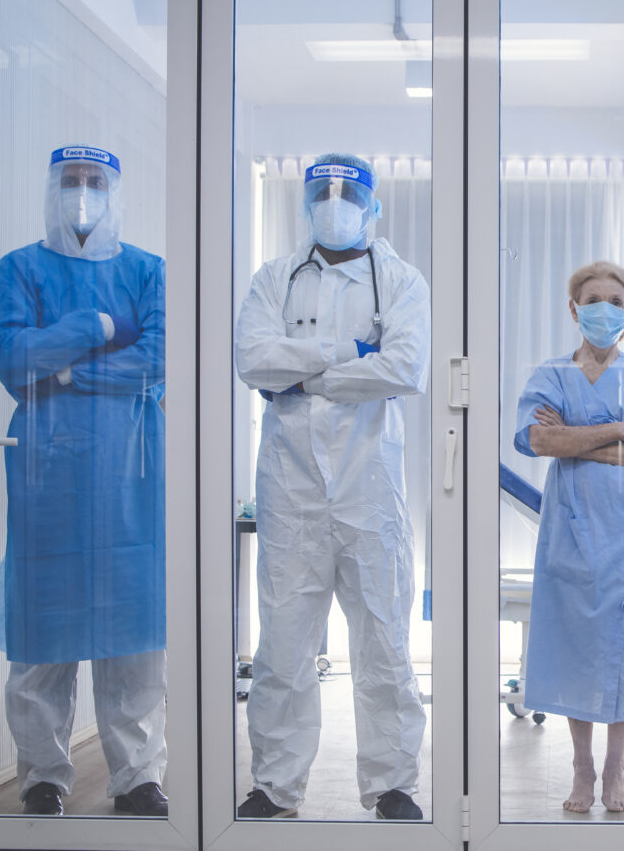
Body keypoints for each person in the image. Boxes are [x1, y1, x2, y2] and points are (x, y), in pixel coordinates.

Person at [235, 152, 430, 820]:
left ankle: (392, 782)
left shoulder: (401, 281)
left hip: (369, 486)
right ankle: (275, 784)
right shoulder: (273, 279)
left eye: (350, 192)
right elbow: (253, 360)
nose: (335, 201)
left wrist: (302, 373)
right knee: (284, 640)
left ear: (374, 206)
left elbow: (404, 369)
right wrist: (348, 354)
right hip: (290, 486)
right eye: (322, 189)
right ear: (305, 201)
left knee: (382, 636)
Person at [0, 145, 168, 817]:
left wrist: (64, 368)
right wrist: (96, 326)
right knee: (43, 628)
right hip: (48, 475)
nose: (82, 192)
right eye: (71, 180)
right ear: (53, 187)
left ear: (115, 190)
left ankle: (139, 774)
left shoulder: (149, 273)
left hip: (131, 474)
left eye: (95, 181)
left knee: (135, 632)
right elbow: (12, 356)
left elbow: (156, 360)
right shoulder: (19, 270)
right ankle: (41, 774)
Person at [514, 260, 624, 813]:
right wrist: (614, 429)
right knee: (575, 645)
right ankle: (581, 768)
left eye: (615, 300)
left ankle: (615, 770)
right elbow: (540, 442)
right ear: (573, 308)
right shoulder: (549, 374)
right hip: (571, 527)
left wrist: (575, 437)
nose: (604, 309)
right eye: (593, 298)